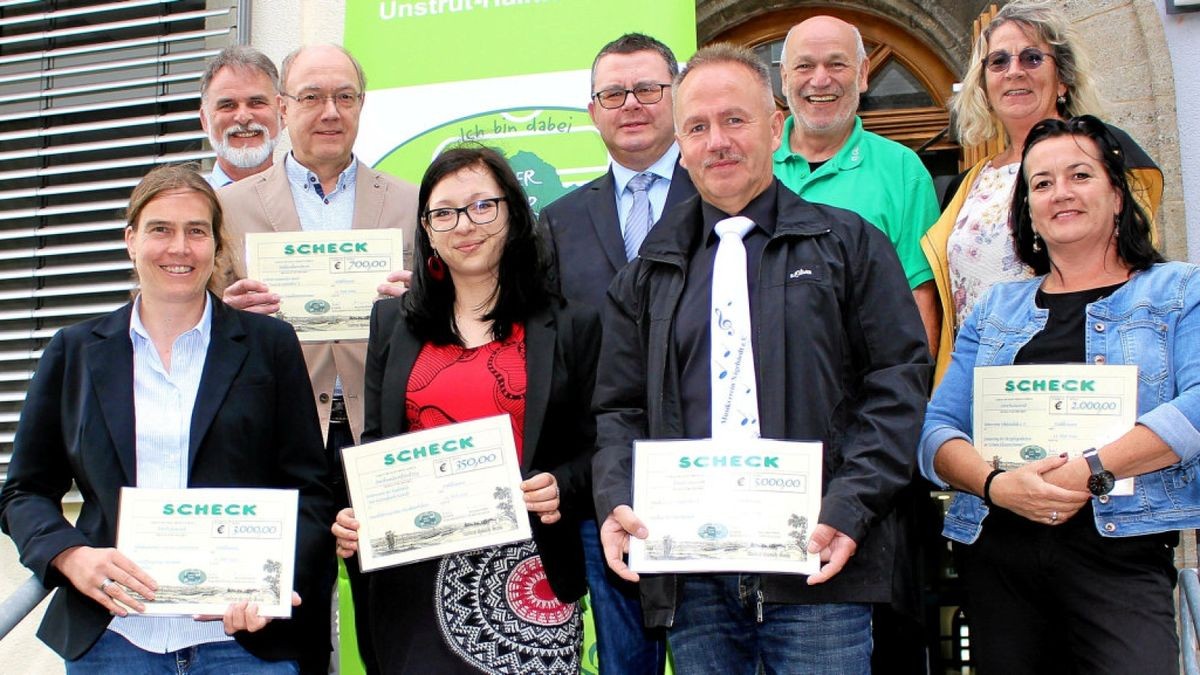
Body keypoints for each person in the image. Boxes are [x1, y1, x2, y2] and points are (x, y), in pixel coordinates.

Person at [592, 43, 931, 673]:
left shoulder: (850, 245)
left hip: (819, 566)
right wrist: (617, 498)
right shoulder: (646, 276)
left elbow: (898, 385)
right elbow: (619, 411)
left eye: (735, 120)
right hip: (694, 578)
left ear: (776, 128)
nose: (717, 141)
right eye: (697, 127)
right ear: (679, 142)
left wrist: (849, 508)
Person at [0, 165, 334, 673]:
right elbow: (23, 491)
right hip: (114, 640)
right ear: (131, 239)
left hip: (240, 643)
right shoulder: (74, 352)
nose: (179, 248)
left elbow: (310, 490)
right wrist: (70, 556)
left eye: (196, 231)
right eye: (161, 229)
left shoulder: (269, 346)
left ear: (216, 247)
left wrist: (270, 580)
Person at [919, 115, 1198, 673]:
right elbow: (934, 433)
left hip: (1121, 553)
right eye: (1041, 183)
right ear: (1027, 208)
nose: (1060, 193)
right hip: (1000, 559)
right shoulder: (995, 309)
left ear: (1118, 195)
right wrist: (997, 486)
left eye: (1079, 175)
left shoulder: (1178, 291)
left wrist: (1091, 470)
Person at [331, 145, 599, 673]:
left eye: (483, 206)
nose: (465, 225)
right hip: (412, 570)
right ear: (427, 230)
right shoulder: (392, 324)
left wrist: (561, 484)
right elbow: (378, 446)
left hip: (528, 569)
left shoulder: (570, 325)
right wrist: (355, 512)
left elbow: (603, 445)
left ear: (514, 214)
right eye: (444, 212)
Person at [216, 43, 419, 672]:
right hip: (280, 444)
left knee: (397, 627)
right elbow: (193, 330)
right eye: (311, 97)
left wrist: (421, 306)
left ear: (362, 106)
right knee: (288, 630)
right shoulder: (227, 209)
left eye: (345, 97)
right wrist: (227, 310)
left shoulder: (415, 203)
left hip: (383, 437)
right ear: (283, 107)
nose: (329, 111)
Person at [537, 32, 688, 674]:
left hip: (707, 473)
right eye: (613, 93)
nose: (631, 104)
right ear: (593, 110)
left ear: (676, 97)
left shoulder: (723, 200)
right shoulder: (557, 222)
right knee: (626, 663)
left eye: (648, 89)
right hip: (605, 481)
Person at [922, 0, 1162, 385]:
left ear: (1062, 78)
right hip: (981, 384)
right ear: (983, 84)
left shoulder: (1108, 154)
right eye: (998, 62)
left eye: (1032, 58)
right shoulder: (966, 184)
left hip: (1079, 378)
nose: (1014, 71)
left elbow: (1136, 271)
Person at [774, 15, 941, 355]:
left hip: (863, 395)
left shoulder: (903, 170)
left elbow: (919, 298)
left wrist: (910, 398)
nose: (820, 80)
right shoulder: (751, 164)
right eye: (805, 66)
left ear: (863, 74)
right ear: (784, 77)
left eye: (836, 64)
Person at [199, 45, 283, 188]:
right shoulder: (187, 206)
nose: (243, 117)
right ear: (205, 120)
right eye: (228, 105)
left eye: (257, 102)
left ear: (282, 113)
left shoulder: (307, 202)